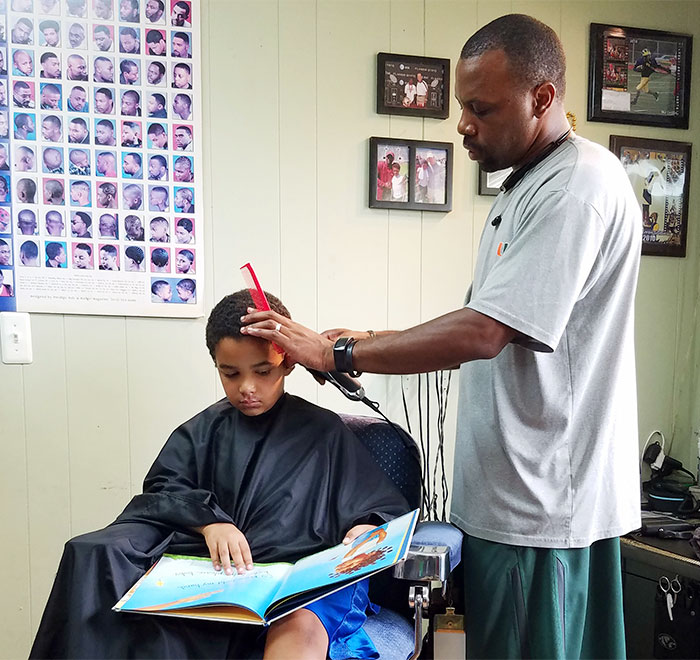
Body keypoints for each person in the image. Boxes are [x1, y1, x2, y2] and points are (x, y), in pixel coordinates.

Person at [242, 14, 642, 660]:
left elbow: (485, 331)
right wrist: (370, 337)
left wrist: (339, 353)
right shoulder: (524, 188)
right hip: (510, 502)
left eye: (479, 108)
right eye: (461, 106)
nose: (462, 125)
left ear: (542, 98)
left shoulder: (578, 186)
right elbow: (483, 321)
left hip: (540, 513)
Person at [32, 288, 407, 657]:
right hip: (221, 573)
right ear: (216, 365)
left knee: (298, 626)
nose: (247, 388)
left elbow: (377, 504)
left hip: (297, 578)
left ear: (289, 361)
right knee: (95, 553)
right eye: (230, 374)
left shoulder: (324, 431)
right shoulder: (203, 431)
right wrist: (210, 523)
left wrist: (366, 524)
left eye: (263, 372)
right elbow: (164, 490)